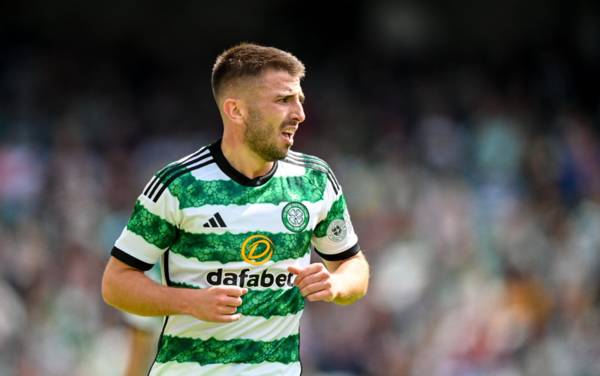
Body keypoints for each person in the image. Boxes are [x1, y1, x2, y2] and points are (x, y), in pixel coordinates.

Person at [101, 42, 370, 375]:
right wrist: (190, 302)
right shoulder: (179, 185)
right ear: (236, 110)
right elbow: (116, 283)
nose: (300, 114)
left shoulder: (314, 180)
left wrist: (337, 285)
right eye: (283, 100)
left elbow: (352, 265)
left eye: (299, 100)